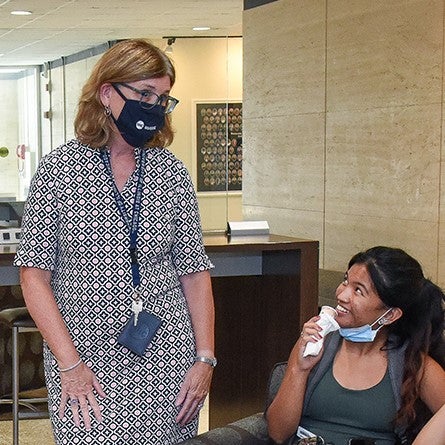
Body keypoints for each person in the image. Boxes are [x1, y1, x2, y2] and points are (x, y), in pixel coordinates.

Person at [14, 39, 216, 445]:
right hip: (82, 356)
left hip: (165, 354)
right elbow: (33, 278)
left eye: (162, 98)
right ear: (107, 93)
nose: (154, 107)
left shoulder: (171, 172)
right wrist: (70, 366)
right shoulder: (59, 170)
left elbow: (193, 273)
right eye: (144, 94)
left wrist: (206, 358)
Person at [266, 246, 445, 445]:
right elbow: (277, 433)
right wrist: (298, 369)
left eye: (358, 290)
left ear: (390, 315)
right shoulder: (316, 342)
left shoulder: (412, 364)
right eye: (345, 281)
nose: (342, 295)